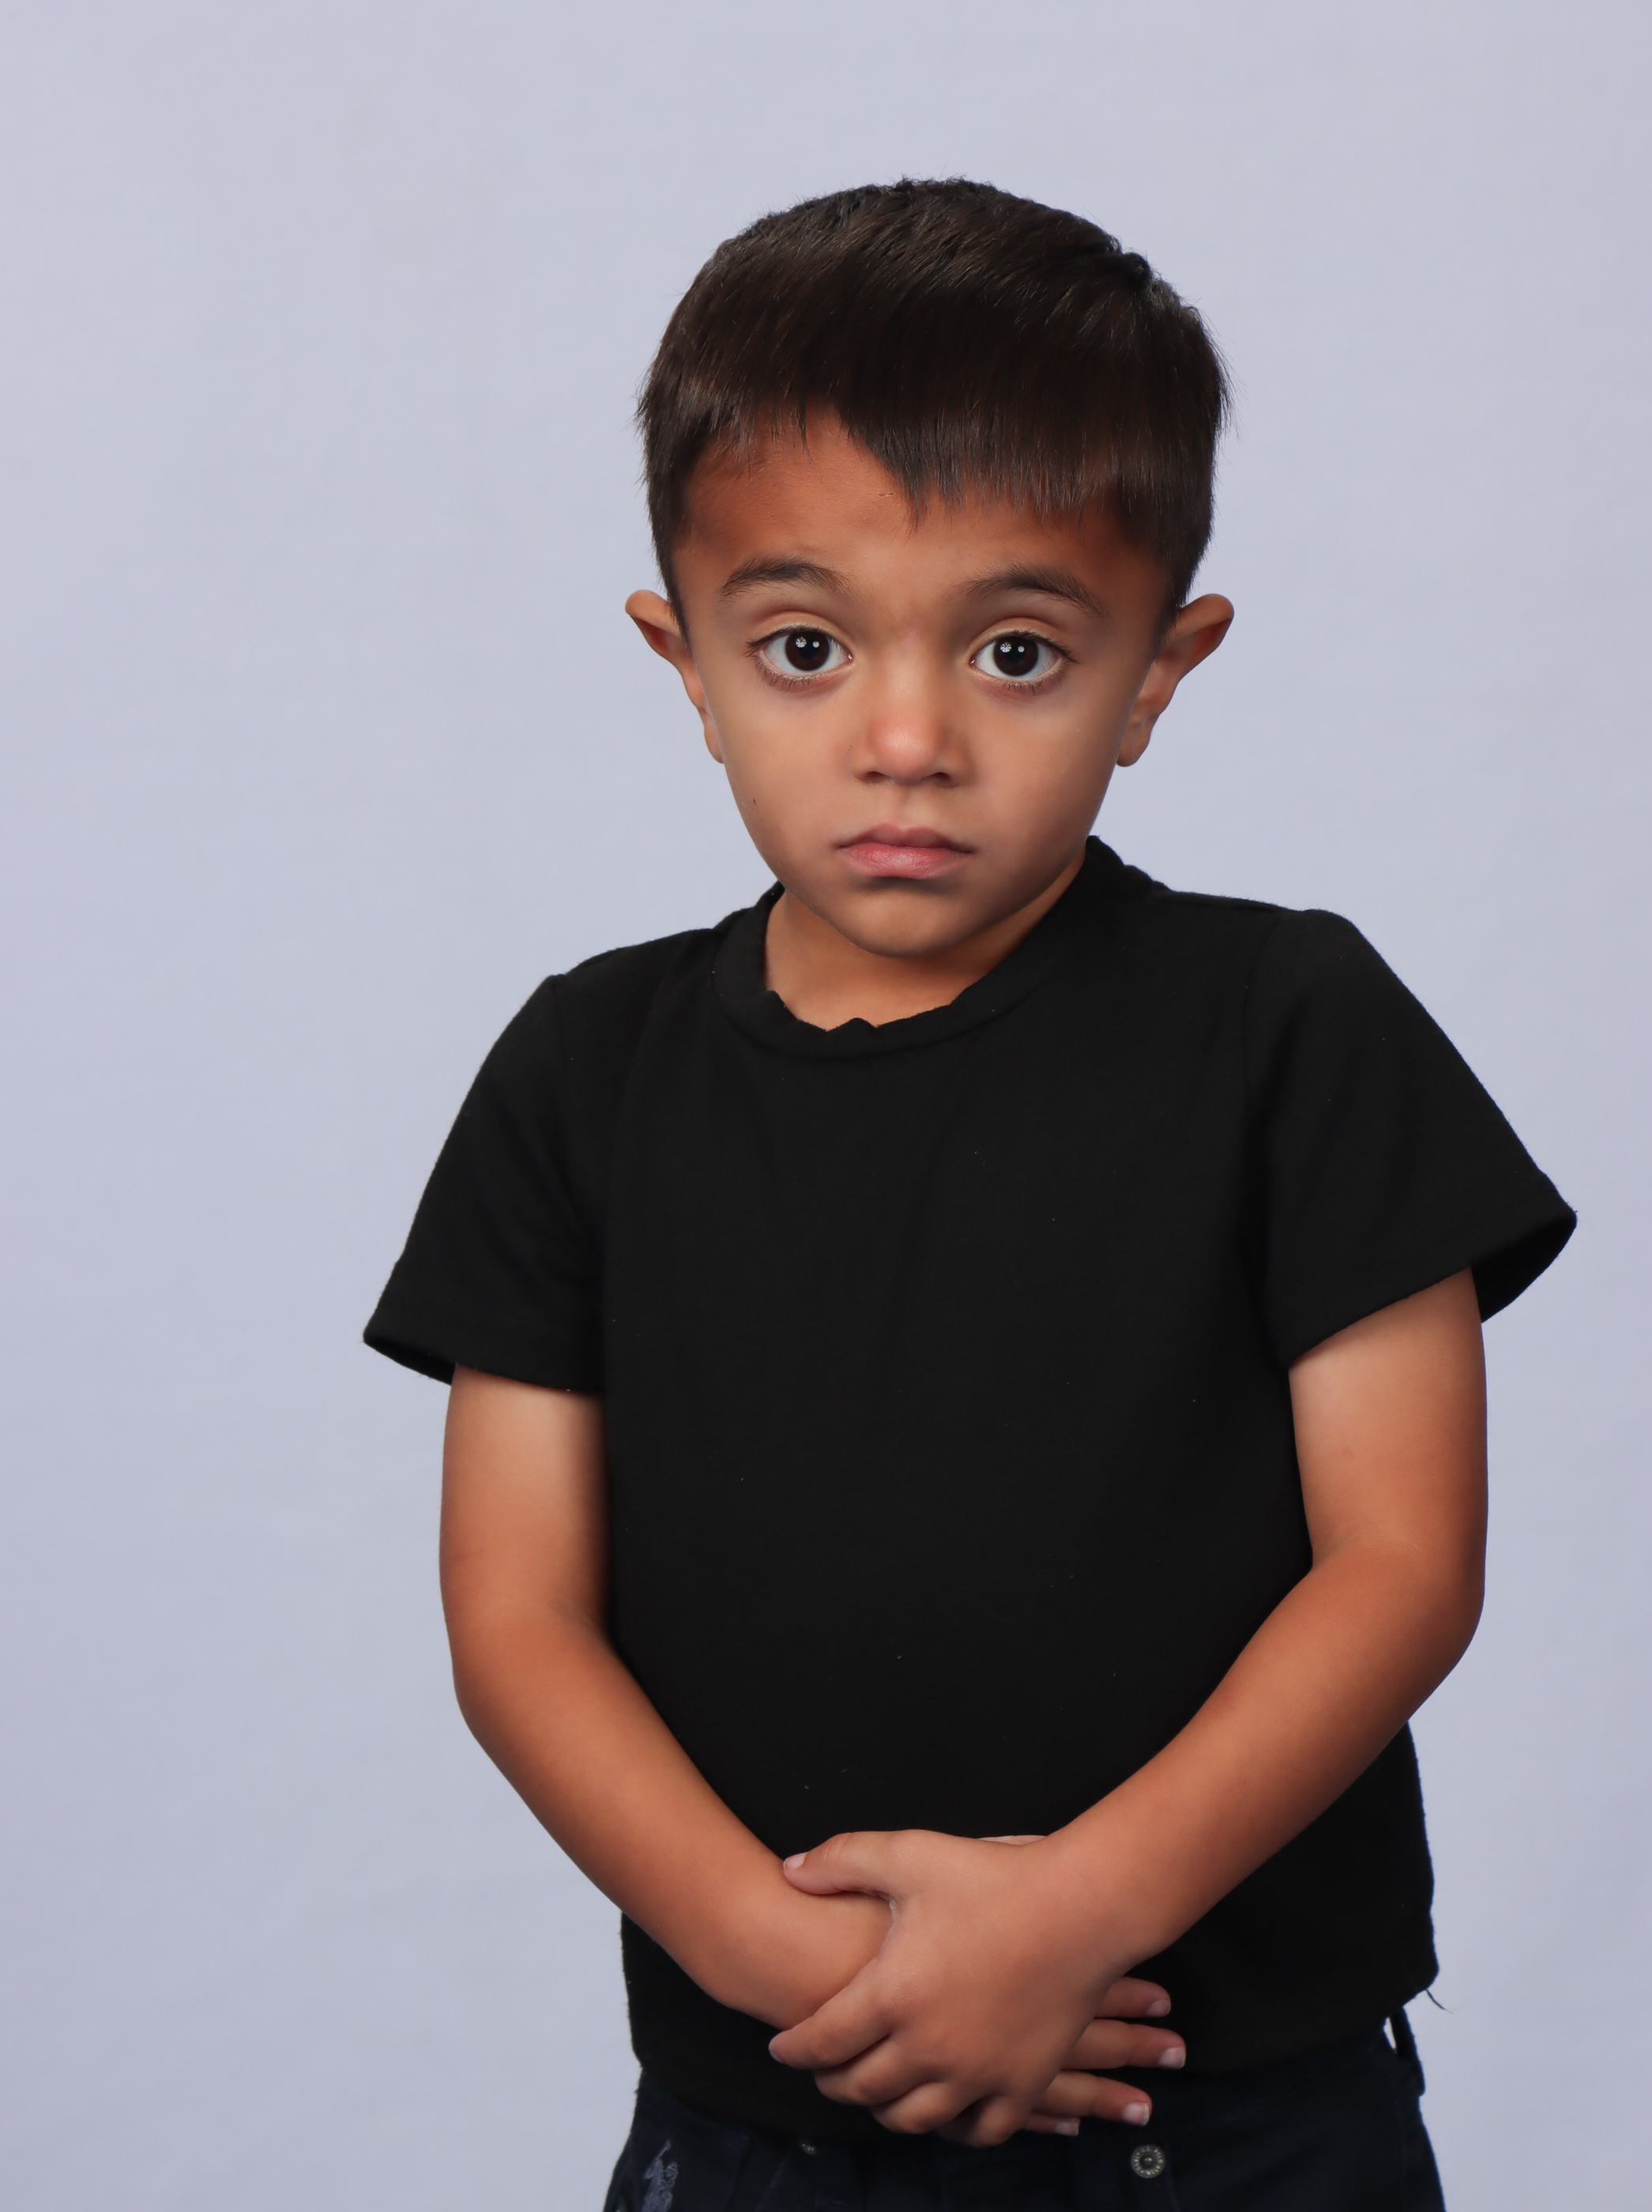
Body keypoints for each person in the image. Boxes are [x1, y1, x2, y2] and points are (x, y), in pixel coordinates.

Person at [365, 179, 1574, 2211]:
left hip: (1227, 2105)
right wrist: (797, 1967)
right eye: (805, 646)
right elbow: (516, 1614)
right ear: (684, 657)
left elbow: (1399, 1562)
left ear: (1158, 668)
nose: (907, 739)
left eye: (1016, 651)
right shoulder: (587, 1068)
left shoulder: (1288, 1025)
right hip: (771, 2097)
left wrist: (1076, 1910)